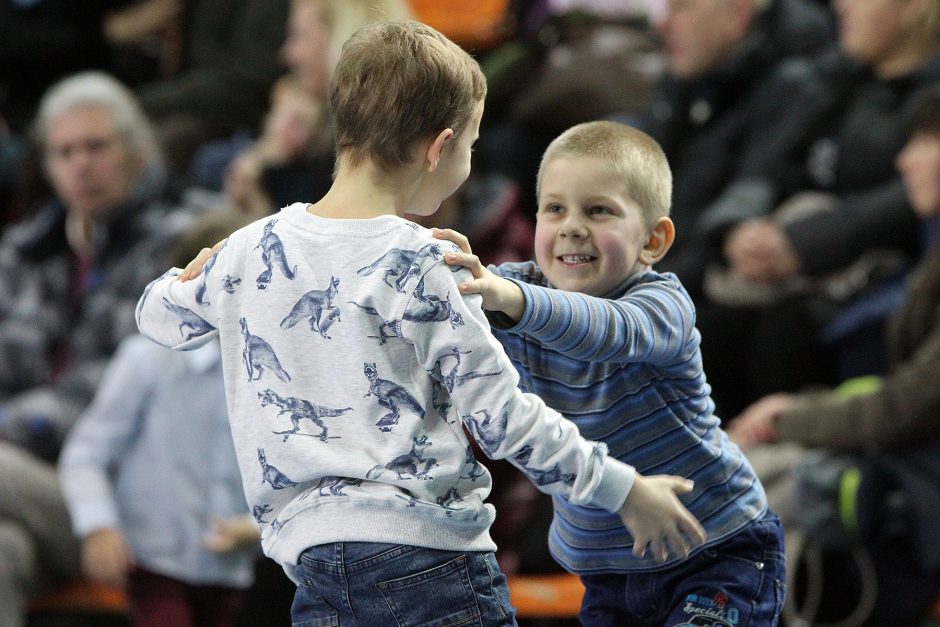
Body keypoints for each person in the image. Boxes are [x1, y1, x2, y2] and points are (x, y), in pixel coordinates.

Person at [136, 21, 706, 626]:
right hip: (431, 566)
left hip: (315, 569)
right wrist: (624, 490)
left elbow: (157, 317)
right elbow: (503, 418)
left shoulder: (250, 249)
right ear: (440, 148)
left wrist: (179, 279)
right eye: (471, 146)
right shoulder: (421, 261)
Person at [434, 120, 781, 626]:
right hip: (606, 574)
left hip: (719, 552)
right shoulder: (513, 291)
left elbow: (608, 331)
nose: (572, 226)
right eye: (555, 208)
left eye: (598, 210)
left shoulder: (663, 306)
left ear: (653, 240)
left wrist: (511, 301)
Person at [727, 84, 940, 627]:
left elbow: (901, 412)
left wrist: (788, 419)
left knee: (744, 493)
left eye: (923, 140)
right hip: (912, 475)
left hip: (918, 495)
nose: (904, 158)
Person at [0, 71, 186, 627]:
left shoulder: (175, 248)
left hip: (116, 498)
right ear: (47, 165)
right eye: (64, 152)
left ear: (136, 152)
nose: (81, 164)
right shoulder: (23, 250)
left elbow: (117, 388)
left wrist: (12, 423)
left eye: (96, 147)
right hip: (27, 489)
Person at [697, 0, 940, 418]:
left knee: (782, 335)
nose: (840, 5)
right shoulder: (828, 80)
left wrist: (804, 243)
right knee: (697, 325)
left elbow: (908, 202)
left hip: (869, 284)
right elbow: (768, 163)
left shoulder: (928, 103)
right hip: (782, 266)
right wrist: (737, 229)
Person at [57, 210, 260, 627]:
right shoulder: (148, 359)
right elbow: (86, 451)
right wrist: (98, 525)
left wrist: (254, 528)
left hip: (228, 566)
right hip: (152, 560)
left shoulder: (274, 371)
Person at [632, 0, 834, 296]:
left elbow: (720, 235)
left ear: (736, 16)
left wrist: (634, 298)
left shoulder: (792, 89)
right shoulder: (691, 77)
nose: (661, 24)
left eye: (682, 7)